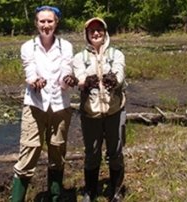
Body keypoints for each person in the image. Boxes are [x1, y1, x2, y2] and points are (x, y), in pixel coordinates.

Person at [10, 5, 77, 202]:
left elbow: (66, 72)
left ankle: (54, 196)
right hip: (34, 105)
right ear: (36, 23)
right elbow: (30, 70)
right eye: (42, 21)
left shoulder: (66, 46)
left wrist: (68, 80)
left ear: (56, 23)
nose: (46, 25)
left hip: (60, 105)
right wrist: (34, 81)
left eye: (50, 21)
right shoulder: (27, 47)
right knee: (29, 151)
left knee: (57, 150)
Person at [72, 17, 126, 202]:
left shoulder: (116, 54)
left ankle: (116, 191)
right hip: (90, 113)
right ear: (86, 34)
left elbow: (120, 72)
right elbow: (79, 75)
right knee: (92, 153)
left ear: (105, 32)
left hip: (114, 111)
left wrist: (114, 80)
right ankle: (90, 192)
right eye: (92, 30)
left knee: (116, 152)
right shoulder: (79, 57)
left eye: (99, 29)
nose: (96, 33)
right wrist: (84, 81)